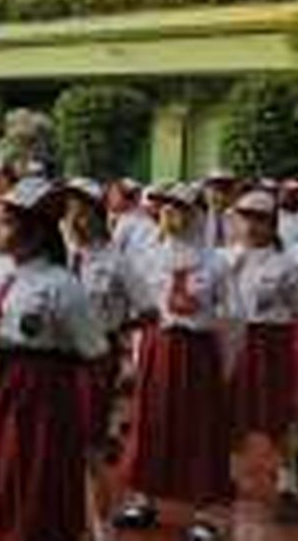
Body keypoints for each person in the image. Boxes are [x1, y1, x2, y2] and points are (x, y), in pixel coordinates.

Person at [0, 177, 107, 541]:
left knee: (26, 481)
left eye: (6, 222)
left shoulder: (61, 285)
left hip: (33, 398)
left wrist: (74, 417)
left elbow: (95, 354)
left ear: (36, 234)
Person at [114, 183, 238, 541]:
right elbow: (143, 306)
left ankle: (206, 512)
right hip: (158, 347)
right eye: (165, 208)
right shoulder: (151, 256)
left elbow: (232, 317)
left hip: (197, 352)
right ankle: (144, 498)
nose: (170, 215)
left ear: (197, 215)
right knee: (151, 421)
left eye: (179, 208)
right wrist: (138, 354)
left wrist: (223, 365)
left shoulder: (216, 262)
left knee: (199, 427)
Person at [62, 177, 155, 540]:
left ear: (98, 215)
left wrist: (116, 331)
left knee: (91, 450)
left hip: (95, 361)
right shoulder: (61, 255)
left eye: (82, 212)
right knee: (57, 447)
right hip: (57, 362)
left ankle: (102, 529)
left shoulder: (116, 261)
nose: (75, 221)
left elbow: (149, 310)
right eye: (70, 213)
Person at [226, 189, 298, 525]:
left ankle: (288, 487)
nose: (251, 226)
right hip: (234, 341)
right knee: (232, 414)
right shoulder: (225, 259)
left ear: (272, 225)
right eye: (245, 217)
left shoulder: (288, 266)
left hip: (272, 345)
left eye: (259, 219)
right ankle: (225, 477)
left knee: (278, 418)